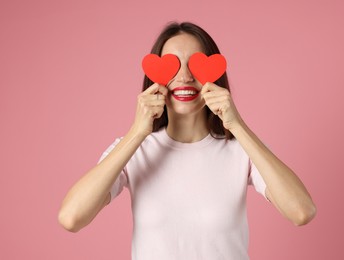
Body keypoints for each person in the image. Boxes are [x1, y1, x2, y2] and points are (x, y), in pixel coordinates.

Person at [58, 22, 316, 259]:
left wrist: (237, 125)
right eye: (172, 65)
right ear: (154, 76)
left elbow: (301, 211)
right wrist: (137, 132)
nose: (184, 77)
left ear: (214, 74)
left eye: (195, 65)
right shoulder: (134, 150)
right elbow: (71, 218)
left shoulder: (241, 149)